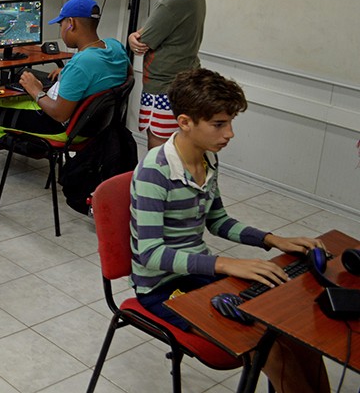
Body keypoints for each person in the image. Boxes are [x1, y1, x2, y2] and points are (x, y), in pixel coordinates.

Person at [130, 68, 330, 392]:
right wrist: (224, 264)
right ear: (184, 122)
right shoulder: (154, 171)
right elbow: (150, 254)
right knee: (268, 349)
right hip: (161, 288)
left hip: (198, 274)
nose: (230, 134)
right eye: (219, 124)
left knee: (294, 332)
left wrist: (272, 240)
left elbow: (217, 221)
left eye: (230, 123)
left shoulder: (208, 160)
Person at [0, 0, 130, 167]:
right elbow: (127, 75)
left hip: (63, 128)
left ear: (71, 23)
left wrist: (35, 90)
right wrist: (68, 74)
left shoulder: (81, 64)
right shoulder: (115, 47)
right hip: (94, 127)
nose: (61, 29)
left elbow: (59, 114)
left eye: (61, 24)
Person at [128, 0, 206, 149]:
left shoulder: (173, 1)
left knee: (159, 149)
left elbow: (143, 40)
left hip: (162, 86)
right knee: (178, 146)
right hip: (183, 80)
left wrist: (132, 38)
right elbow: (154, 30)